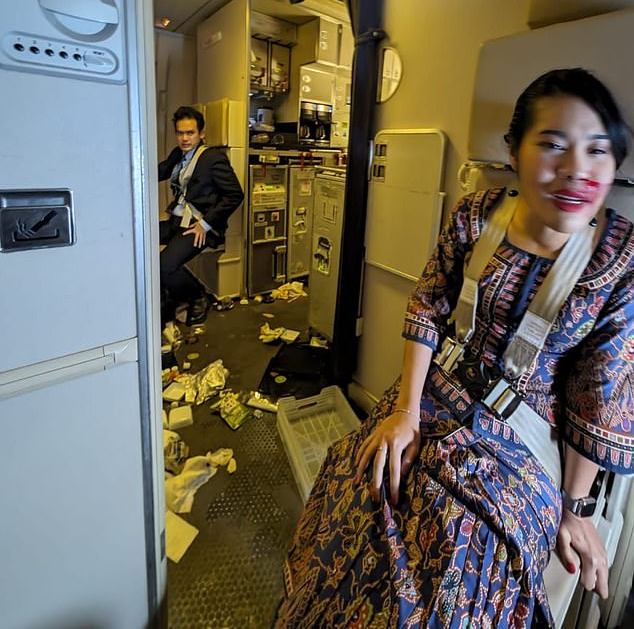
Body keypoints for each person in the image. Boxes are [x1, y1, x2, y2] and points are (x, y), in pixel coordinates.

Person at [275, 68, 633, 629]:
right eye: (553, 145)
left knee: (450, 564)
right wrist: (402, 412)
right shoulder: (476, 213)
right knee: (354, 484)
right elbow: (427, 307)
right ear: (513, 151)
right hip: (430, 395)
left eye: (597, 151)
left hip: (518, 442)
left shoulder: (619, 258)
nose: (576, 170)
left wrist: (576, 508)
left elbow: (602, 396)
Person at [158, 106, 243, 327]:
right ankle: (166, 300)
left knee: (164, 264)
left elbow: (235, 195)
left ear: (201, 133)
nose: (184, 138)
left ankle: (198, 295)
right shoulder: (179, 154)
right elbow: (159, 171)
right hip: (177, 222)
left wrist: (205, 225)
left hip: (200, 226)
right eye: (180, 133)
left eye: (190, 133)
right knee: (139, 239)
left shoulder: (213, 158)